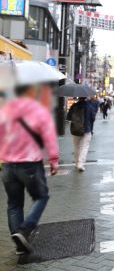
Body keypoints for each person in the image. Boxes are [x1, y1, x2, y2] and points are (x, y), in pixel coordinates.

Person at [0, 83, 59, 255]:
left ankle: (20, 245)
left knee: (14, 204)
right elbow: (49, 135)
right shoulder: (38, 111)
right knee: (42, 196)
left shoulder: (5, 111)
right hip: (30, 164)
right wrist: (54, 159)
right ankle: (25, 230)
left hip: (8, 165)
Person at [67, 97, 95, 172]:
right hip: (86, 129)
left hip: (75, 129)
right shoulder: (89, 106)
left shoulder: (74, 105)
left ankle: (77, 163)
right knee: (84, 147)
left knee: (76, 146)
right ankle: (81, 164)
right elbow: (92, 118)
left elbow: (68, 117)